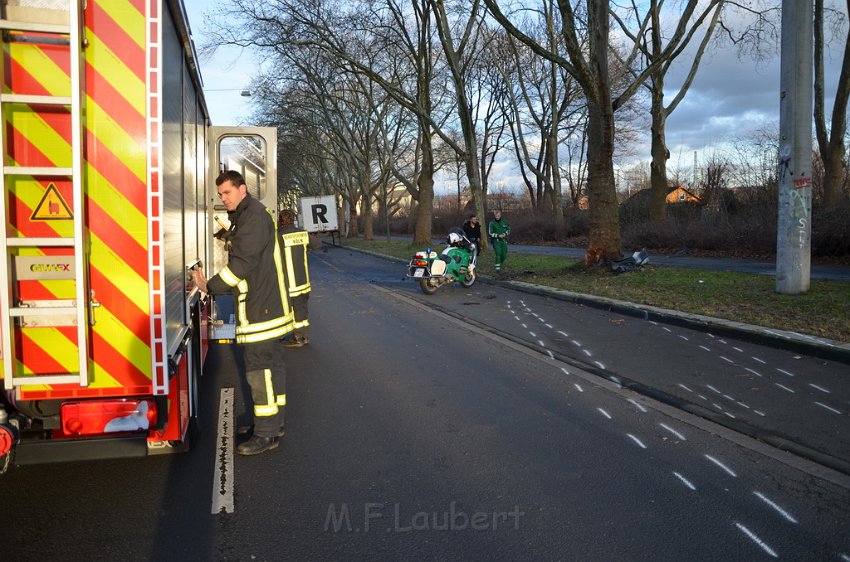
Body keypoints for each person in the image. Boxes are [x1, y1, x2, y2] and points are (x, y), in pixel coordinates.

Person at [192, 170, 294, 456]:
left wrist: (209, 286)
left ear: (243, 189)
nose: (223, 198)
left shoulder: (253, 217)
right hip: (267, 307)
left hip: (260, 310)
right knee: (272, 369)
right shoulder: (251, 214)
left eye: (227, 192)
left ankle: (265, 435)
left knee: (259, 372)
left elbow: (241, 264)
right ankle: (274, 424)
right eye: (221, 193)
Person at [279, 209, 312, 347]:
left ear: (280, 220)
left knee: (293, 311)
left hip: (290, 284)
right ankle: (304, 337)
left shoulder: (278, 236)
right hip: (304, 281)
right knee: (302, 309)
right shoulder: (303, 233)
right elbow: (317, 244)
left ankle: (297, 338)